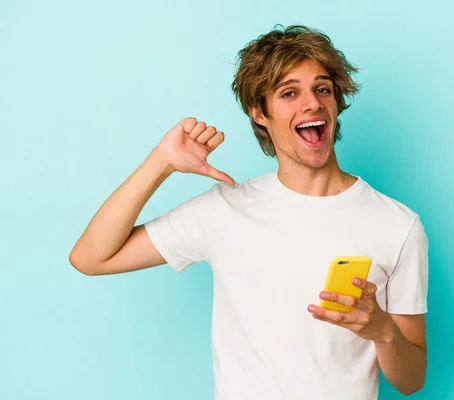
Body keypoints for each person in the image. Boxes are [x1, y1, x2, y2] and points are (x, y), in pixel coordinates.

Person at [69, 25, 429, 399]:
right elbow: (90, 258)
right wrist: (161, 163)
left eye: (322, 89)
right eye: (290, 92)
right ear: (260, 113)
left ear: (336, 102)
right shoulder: (224, 211)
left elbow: (411, 380)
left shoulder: (398, 225)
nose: (312, 103)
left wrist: (382, 330)